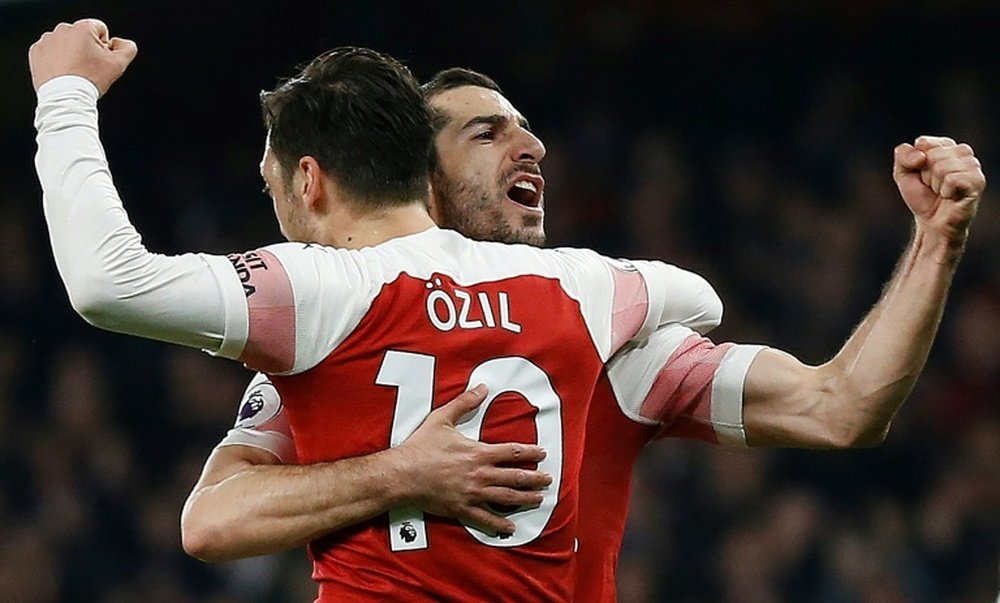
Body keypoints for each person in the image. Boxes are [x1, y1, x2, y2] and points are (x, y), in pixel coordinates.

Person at [183, 67, 988, 602]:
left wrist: (936, 241)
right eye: (486, 133)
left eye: (527, 130)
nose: (531, 145)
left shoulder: (616, 345)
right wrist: (395, 472)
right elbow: (214, 519)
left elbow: (840, 406)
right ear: (418, 182)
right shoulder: (343, 346)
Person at [30, 20, 745, 602]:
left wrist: (64, 94)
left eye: (269, 185)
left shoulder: (322, 287)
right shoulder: (576, 283)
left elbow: (107, 282)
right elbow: (701, 299)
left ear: (308, 180)